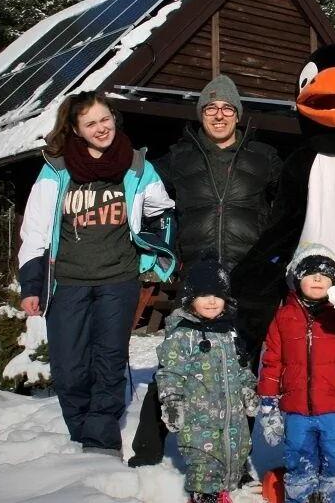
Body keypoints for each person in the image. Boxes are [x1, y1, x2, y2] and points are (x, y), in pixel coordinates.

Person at [129, 74, 282, 469]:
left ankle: (237, 458)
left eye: (227, 108)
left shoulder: (264, 157)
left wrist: (275, 259)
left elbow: (290, 206)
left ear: (238, 115)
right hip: (198, 278)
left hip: (248, 278)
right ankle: (147, 452)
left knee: (243, 369)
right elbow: (136, 188)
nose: (219, 115)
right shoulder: (178, 157)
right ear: (201, 115)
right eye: (211, 108)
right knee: (176, 361)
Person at [18, 90, 176, 458]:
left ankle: (101, 441)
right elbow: (36, 231)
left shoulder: (136, 165)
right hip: (67, 282)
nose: (101, 128)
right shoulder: (56, 169)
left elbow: (162, 210)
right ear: (76, 129)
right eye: (90, 123)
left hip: (118, 279)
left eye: (105, 119)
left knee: (109, 362)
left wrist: (153, 257)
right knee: (69, 368)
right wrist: (31, 284)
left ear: (114, 119)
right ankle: (81, 431)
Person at [257, 244, 335, 503]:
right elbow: (272, 362)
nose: (318, 278)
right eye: (310, 273)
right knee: (299, 462)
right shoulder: (284, 317)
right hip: (296, 409)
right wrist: (268, 402)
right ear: (298, 279)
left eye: (326, 274)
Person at [156, 255, 258, 503]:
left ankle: (232, 481)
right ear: (191, 299)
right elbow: (170, 372)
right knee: (203, 459)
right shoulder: (183, 335)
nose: (212, 301)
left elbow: (242, 365)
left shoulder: (230, 331)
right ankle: (205, 493)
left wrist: (248, 388)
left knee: (237, 447)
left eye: (218, 295)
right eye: (204, 295)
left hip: (233, 415)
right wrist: (172, 402)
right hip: (198, 419)